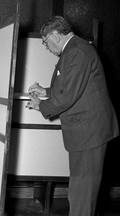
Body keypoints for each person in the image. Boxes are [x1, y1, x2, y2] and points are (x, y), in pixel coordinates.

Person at [26, 16, 119, 216]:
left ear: (54, 36)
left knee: (82, 194)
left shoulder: (77, 51)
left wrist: (41, 105)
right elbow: (75, 88)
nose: (46, 47)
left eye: (45, 42)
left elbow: (67, 96)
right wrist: (46, 91)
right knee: (79, 191)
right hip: (85, 133)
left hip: (90, 133)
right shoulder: (75, 49)